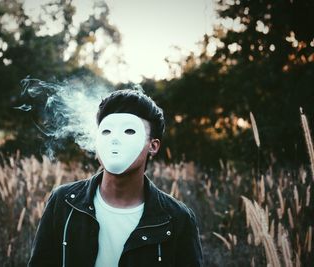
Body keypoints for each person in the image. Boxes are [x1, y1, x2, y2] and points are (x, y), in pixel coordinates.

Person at [28, 89, 203, 267]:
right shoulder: (63, 203)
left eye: (129, 131)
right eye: (106, 132)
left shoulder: (177, 218)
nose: (115, 140)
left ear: (153, 146)